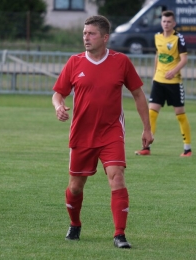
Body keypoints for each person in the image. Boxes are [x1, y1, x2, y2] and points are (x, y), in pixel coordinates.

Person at [52, 15, 153, 249]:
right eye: (84, 33)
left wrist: (147, 128)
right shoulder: (75, 62)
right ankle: (75, 224)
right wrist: (59, 107)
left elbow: (138, 94)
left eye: (91, 33)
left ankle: (119, 235)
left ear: (105, 37)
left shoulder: (121, 61)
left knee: (117, 177)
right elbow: (58, 93)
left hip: (111, 132)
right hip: (82, 134)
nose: (86, 37)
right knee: (75, 187)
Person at [135, 10, 192, 157]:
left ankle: (187, 149)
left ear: (174, 23)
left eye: (169, 22)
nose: (166, 24)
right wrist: (155, 74)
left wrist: (173, 71)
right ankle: (146, 147)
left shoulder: (178, 38)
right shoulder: (157, 37)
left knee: (180, 114)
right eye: (164, 21)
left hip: (174, 82)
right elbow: (158, 55)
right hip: (159, 81)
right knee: (151, 113)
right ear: (161, 22)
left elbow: (184, 59)